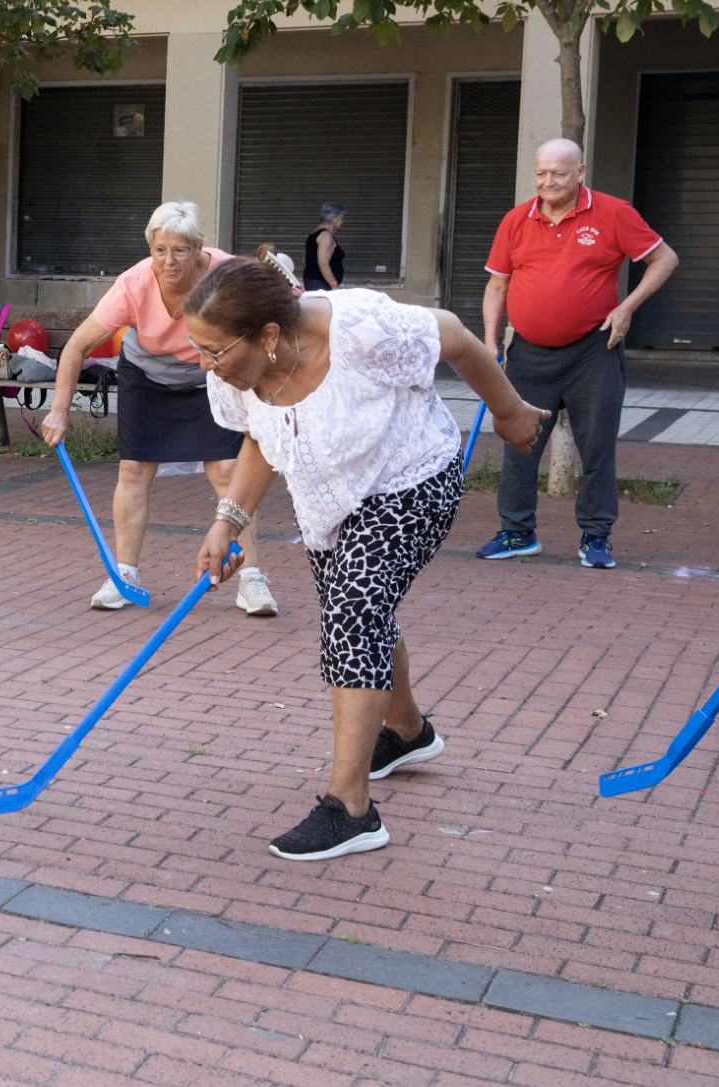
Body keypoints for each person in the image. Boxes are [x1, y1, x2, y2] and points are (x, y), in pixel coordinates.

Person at [187, 258, 546, 861]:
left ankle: (350, 808)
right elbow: (259, 437)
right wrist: (229, 520)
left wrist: (509, 413)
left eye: (214, 350)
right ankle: (407, 732)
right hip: (330, 503)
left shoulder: (362, 331)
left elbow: (455, 336)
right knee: (362, 612)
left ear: (269, 337)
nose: (205, 362)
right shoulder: (235, 369)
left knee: (354, 613)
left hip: (411, 480)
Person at [41, 201, 278, 617]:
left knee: (227, 470)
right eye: (160, 250)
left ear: (199, 249)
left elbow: (270, 320)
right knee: (133, 470)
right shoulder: (133, 284)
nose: (169, 261)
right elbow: (77, 345)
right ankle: (124, 575)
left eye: (180, 250)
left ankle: (251, 578)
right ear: (150, 247)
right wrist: (59, 409)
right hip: (147, 375)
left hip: (210, 374)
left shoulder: (224, 274)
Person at [477, 138, 679, 570]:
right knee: (519, 443)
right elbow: (497, 285)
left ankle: (595, 537)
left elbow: (664, 258)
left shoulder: (614, 213)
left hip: (594, 350)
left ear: (581, 172)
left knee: (597, 447)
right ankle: (517, 532)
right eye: (541, 174)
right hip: (528, 354)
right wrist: (490, 343)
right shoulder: (516, 220)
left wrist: (627, 307)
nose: (548, 182)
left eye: (559, 173)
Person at [302, 203, 345, 292]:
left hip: (313, 281)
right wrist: (334, 285)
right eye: (341, 218)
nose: (343, 221)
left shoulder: (314, 233)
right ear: (333, 218)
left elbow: (305, 260)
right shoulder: (326, 236)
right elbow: (323, 263)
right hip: (321, 284)